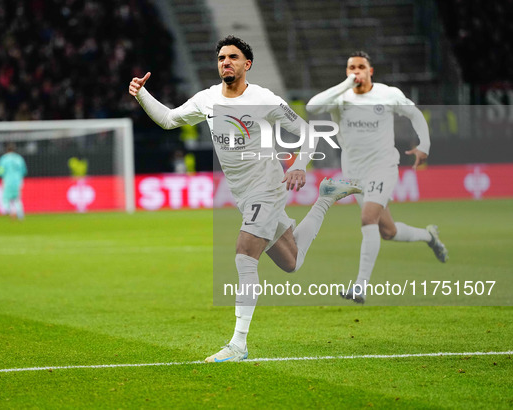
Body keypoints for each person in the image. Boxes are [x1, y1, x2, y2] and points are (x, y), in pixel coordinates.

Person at [129, 36, 361, 362]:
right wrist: (141, 95)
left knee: (244, 253)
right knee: (291, 262)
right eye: (222, 58)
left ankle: (238, 344)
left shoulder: (263, 98)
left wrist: (298, 164)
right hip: (243, 194)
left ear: (246, 64)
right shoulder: (207, 99)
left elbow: (307, 132)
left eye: (233, 57)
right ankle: (325, 198)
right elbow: (169, 119)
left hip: (267, 187)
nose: (226, 62)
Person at [307, 51, 448, 304]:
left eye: (361, 67)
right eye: (351, 67)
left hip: (383, 166)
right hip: (355, 173)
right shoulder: (340, 98)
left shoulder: (387, 94)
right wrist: (346, 85)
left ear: (370, 71)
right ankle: (429, 236)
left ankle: (360, 287)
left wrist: (424, 145)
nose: (356, 71)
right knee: (388, 231)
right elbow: (312, 106)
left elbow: (414, 114)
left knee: (367, 217)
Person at [0, 143, 27, 220]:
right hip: (18, 181)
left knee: (5, 199)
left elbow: (0, 172)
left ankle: (10, 212)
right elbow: (24, 171)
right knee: (17, 199)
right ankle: (20, 215)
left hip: (8, 180)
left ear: (6, 150)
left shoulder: (3, 158)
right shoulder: (19, 158)